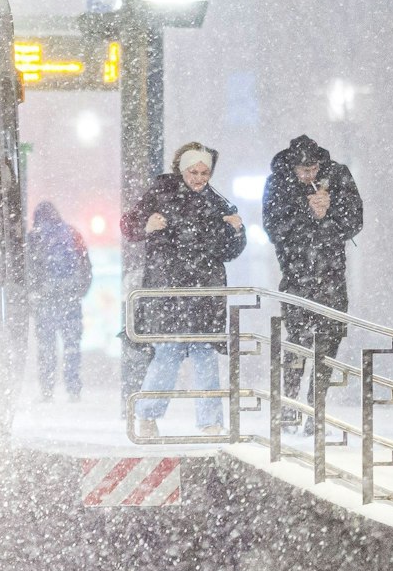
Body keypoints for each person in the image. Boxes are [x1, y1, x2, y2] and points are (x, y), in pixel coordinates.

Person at [122, 141, 246, 439]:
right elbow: (128, 225)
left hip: (204, 293)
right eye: (194, 171)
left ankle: (209, 423)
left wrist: (237, 231)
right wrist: (146, 226)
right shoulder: (160, 193)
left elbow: (230, 251)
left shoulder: (219, 204)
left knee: (204, 355)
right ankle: (148, 417)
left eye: (205, 172)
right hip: (169, 292)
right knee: (168, 353)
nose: (199, 178)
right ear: (182, 169)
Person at [262, 135, 365, 428]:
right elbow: (274, 228)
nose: (310, 175)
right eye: (303, 170)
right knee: (297, 341)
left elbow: (355, 220)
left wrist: (329, 211)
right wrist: (308, 213)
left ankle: (314, 407)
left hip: (332, 273)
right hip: (296, 275)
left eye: (314, 168)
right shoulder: (278, 183)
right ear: (292, 167)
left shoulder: (339, 175)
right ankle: (290, 404)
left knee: (329, 340)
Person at [27, 201, 92, 402]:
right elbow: (86, 266)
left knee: (47, 347)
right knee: (72, 346)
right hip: (70, 299)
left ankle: (47, 390)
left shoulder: (34, 237)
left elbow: (28, 269)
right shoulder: (72, 233)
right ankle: (73, 389)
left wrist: (33, 295)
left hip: (45, 300)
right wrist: (79, 291)